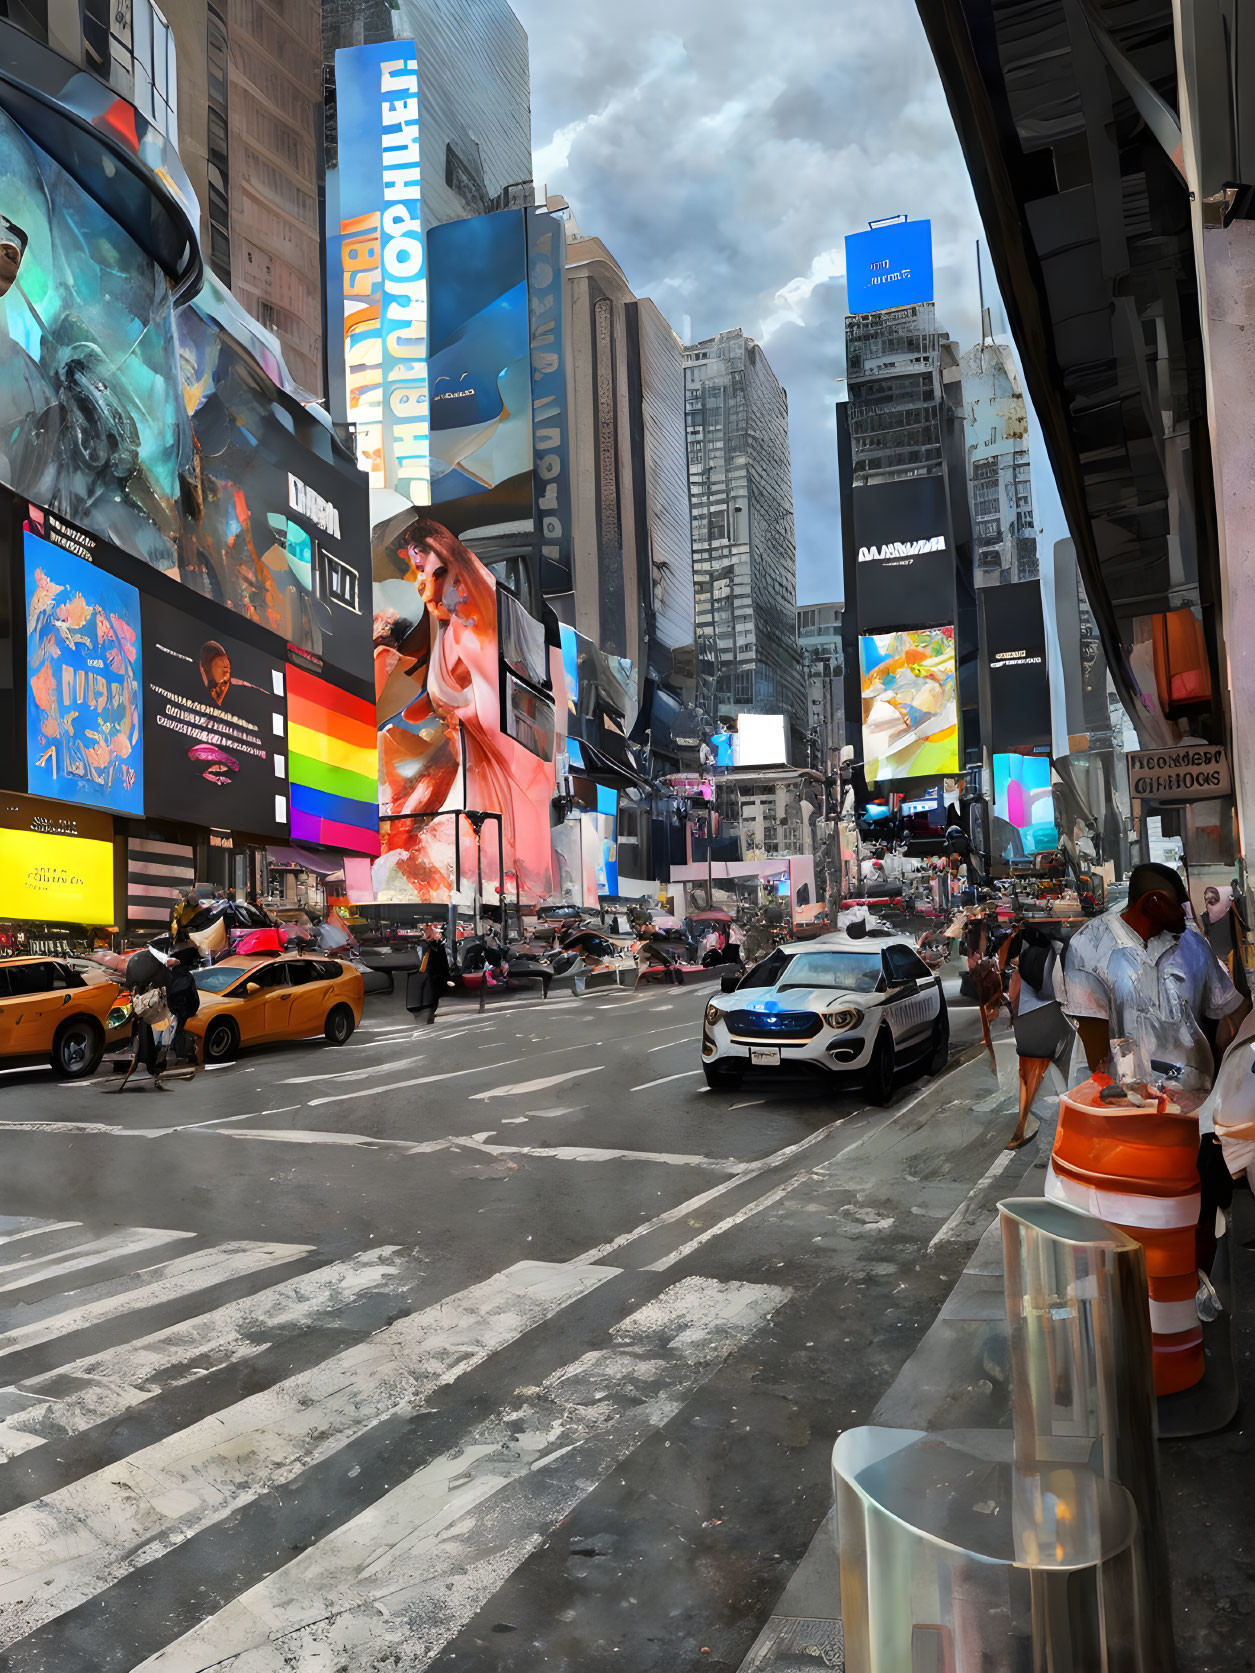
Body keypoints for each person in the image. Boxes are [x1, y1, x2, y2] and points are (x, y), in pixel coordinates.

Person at [1059, 861, 1250, 1093]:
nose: (1184, 913)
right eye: (1178, 906)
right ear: (1153, 902)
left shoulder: (1193, 945)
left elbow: (1229, 1012)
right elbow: (1093, 1047)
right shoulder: (1091, 945)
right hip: (1125, 1102)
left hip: (1192, 1095)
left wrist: (1227, 1069)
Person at [406, 924, 451, 1025]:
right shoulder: (429, 946)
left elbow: (443, 964)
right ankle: (427, 1016)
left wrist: (446, 978)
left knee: (430, 999)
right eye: (438, 932)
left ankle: (428, 1017)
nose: (440, 934)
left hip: (431, 976)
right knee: (427, 998)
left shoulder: (436, 947)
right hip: (426, 975)